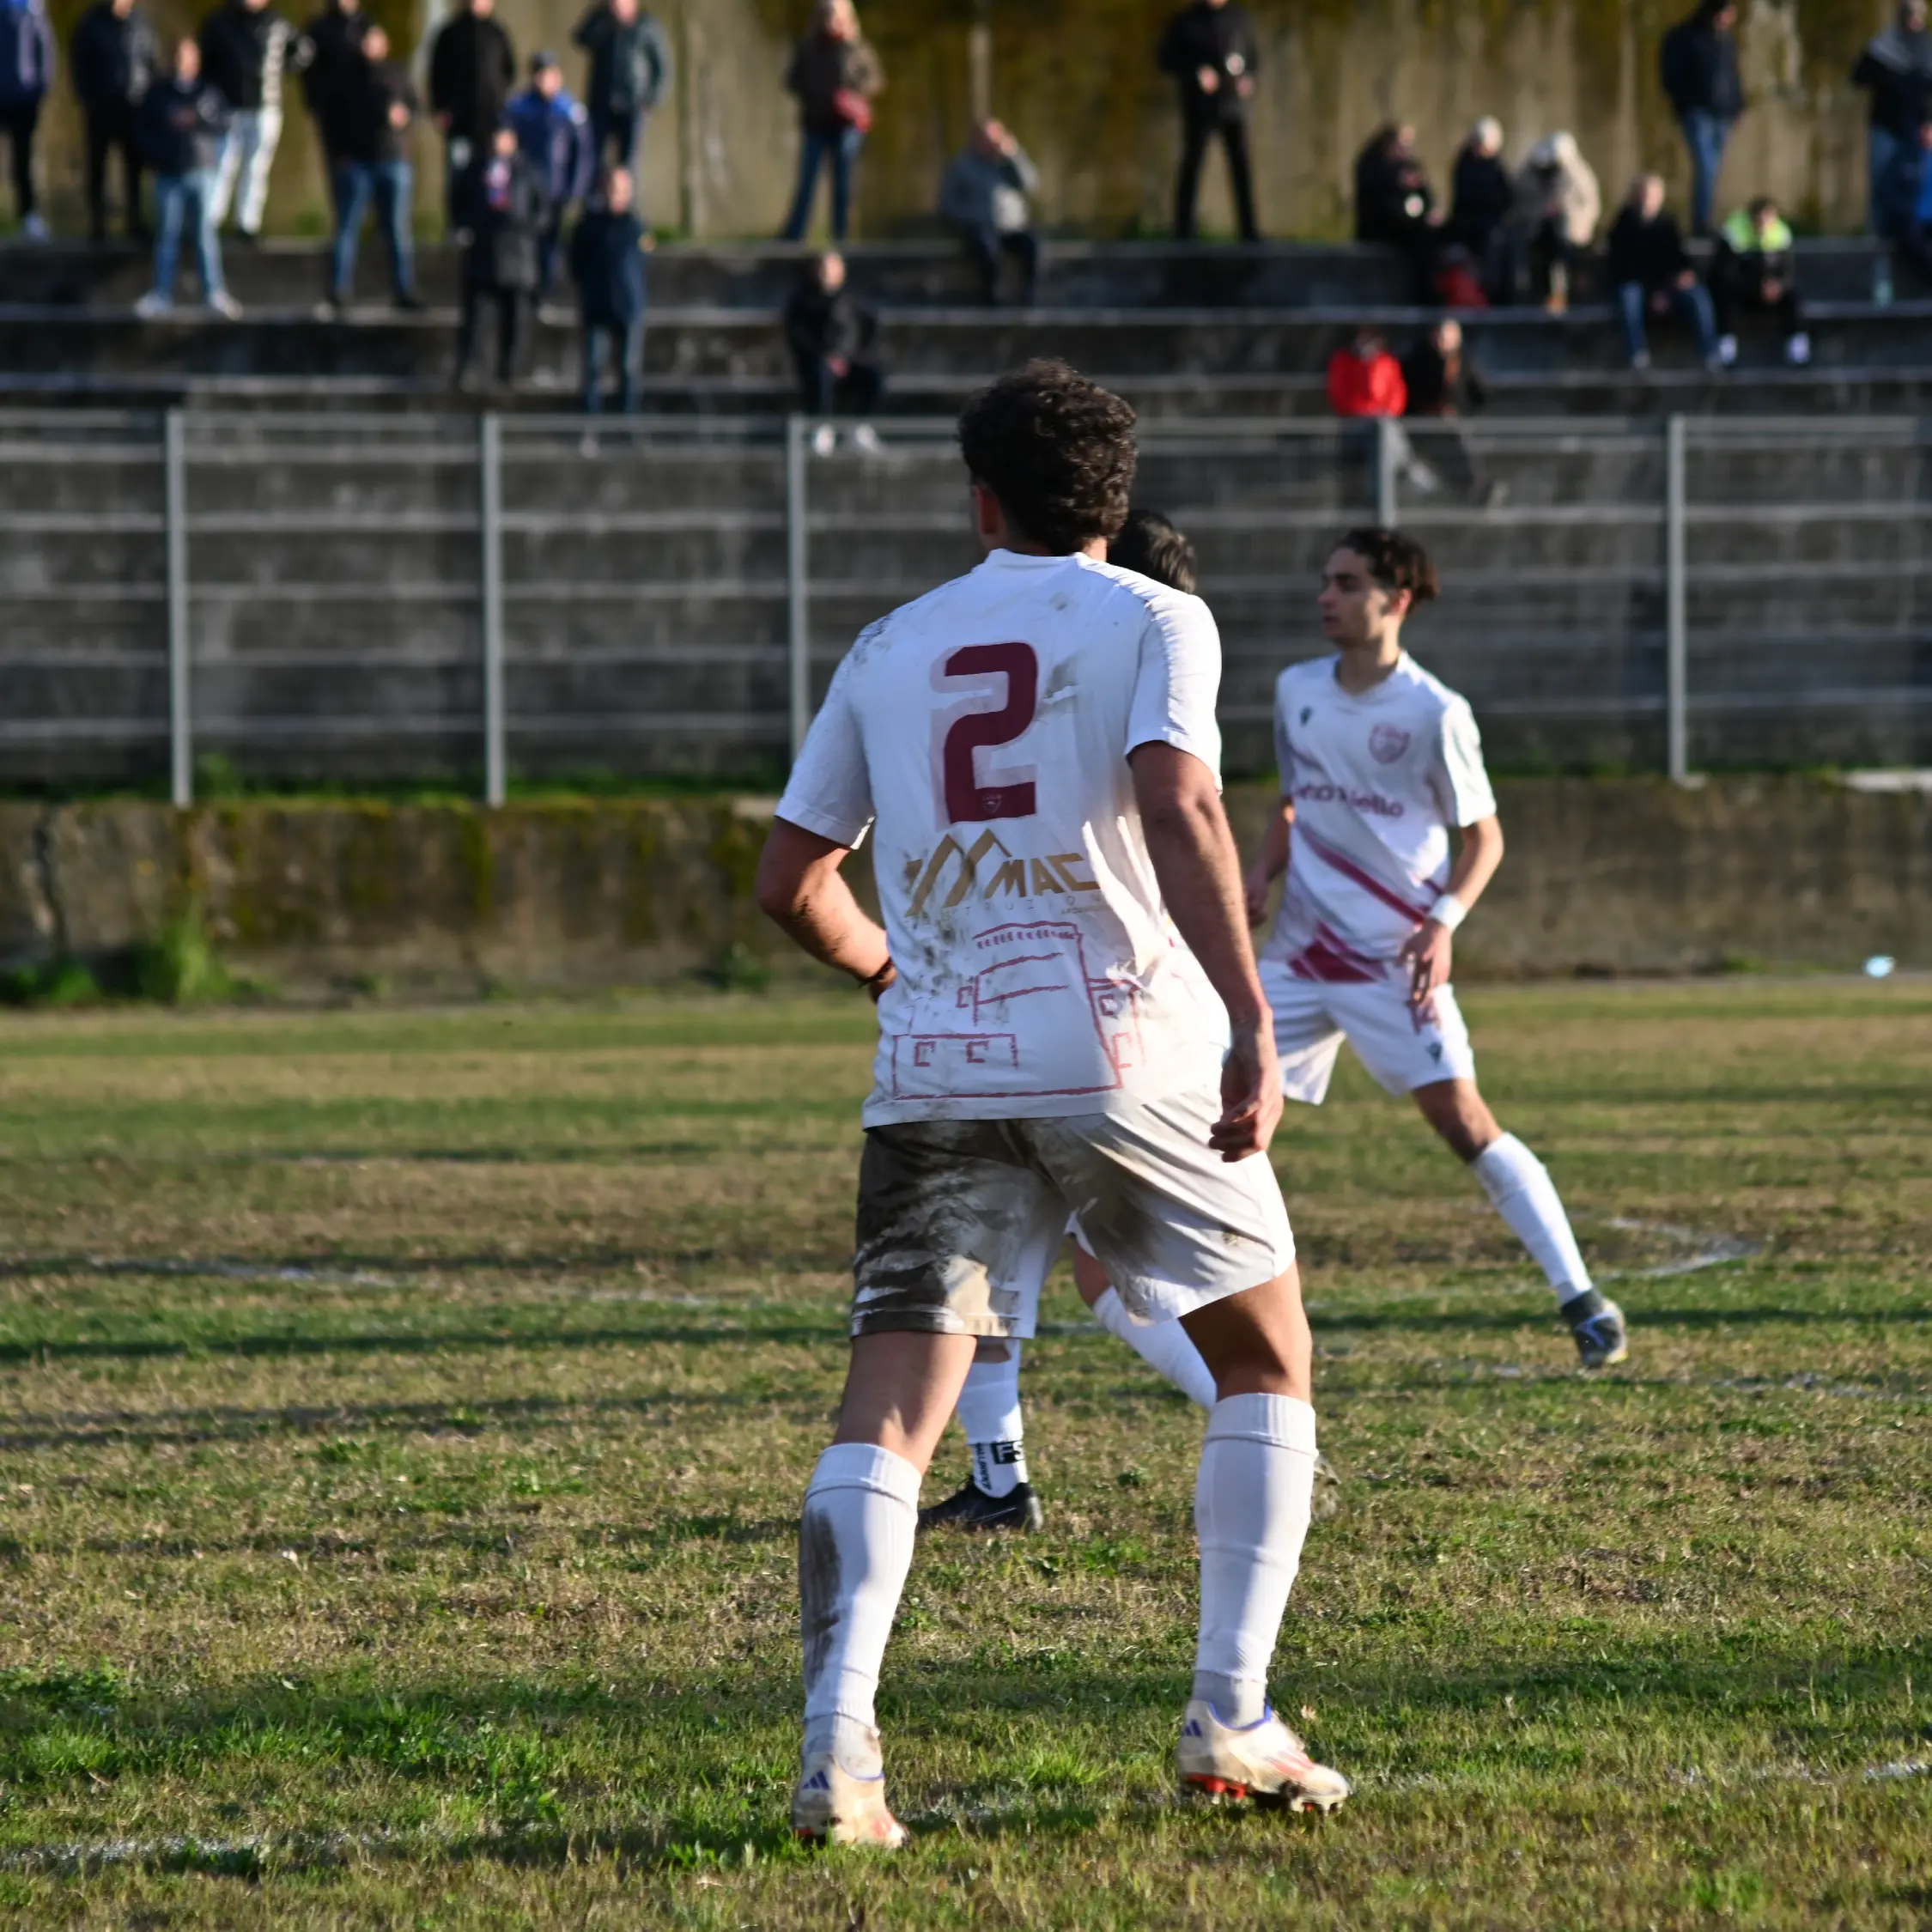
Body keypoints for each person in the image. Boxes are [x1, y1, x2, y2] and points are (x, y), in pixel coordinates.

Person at [755, 356, 1352, 1844]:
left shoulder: (888, 643)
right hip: (1121, 1050)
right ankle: (1230, 1716)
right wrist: (1252, 1019)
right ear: (1116, 499)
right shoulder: (1156, 615)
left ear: (982, 501)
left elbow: (789, 882)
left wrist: (892, 973)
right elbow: (1180, 798)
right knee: (1264, 1358)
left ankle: (838, 1748)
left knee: (890, 1409)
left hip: (938, 1064)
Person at [1249, 528, 1628, 1373]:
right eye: (1326, 581)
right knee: (1221, 1107)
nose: (1327, 597)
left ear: (1397, 601)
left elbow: (1484, 837)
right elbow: (1292, 801)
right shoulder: (1296, 688)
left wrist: (1443, 921)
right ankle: (1207, 1307)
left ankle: (1580, 1298)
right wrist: (1259, 873)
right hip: (1300, 955)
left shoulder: (1434, 712)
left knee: (1464, 1122)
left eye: (1348, 584)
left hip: (1393, 961)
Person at [134, 38, 238, 316]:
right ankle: (161, 294)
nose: (183, 61)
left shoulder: (207, 91)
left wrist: (198, 119)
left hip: (201, 171)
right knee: (166, 236)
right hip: (168, 174)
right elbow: (143, 130)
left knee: (205, 235)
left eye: (188, 55)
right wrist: (159, 155)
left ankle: (213, 293)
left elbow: (223, 123)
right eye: (179, 55)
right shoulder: (159, 93)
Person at [198, 0, 310, 244]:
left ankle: (248, 224)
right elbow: (205, 62)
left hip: (265, 105)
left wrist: (280, 68)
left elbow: (303, 51)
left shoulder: (276, 23)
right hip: (229, 106)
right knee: (223, 165)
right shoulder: (221, 22)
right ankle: (211, 222)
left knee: (256, 167)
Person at [326, 22, 419, 312]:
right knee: (348, 228)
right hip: (357, 163)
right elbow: (331, 119)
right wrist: (341, 156)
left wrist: (404, 117)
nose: (370, 46)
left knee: (397, 230)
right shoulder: (345, 76)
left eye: (375, 40)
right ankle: (339, 290)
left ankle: (404, 291)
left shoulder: (397, 73)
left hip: (394, 160)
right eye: (366, 40)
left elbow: (415, 108)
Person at [452, 119, 550, 390]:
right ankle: (469, 368)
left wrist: (525, 228)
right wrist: (469, 226)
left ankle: (510, 371)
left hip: (518, 256)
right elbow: (458, 202)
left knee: (516, 320)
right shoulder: (475, 170)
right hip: (483, 254)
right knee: (476, 319)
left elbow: (543, 211)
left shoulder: (528, 171)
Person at [780, 0, 881, 244]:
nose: (831, 22)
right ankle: (794, 236)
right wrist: (818, 93)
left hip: (846, 127)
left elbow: (874, 80)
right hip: (816, 124)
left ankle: (842, 237)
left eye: (836, 16)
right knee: (807, 182)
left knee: (843, 184)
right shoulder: (808, 49)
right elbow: (792, 81)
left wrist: (853, 97)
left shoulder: (857, 49)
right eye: (827, 15)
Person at [1158, 0, 1259, 242]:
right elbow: (1166, 58)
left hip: (1232, 106)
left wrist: (1249, 78)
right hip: (1199, 107)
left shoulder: (1239, 19)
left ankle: (1249, 231)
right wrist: (1196, 73)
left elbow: (1253, 58)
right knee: (1192, 165)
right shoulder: (1187, 22)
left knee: (1240, 167)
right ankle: (1183, 231)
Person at [1606, 172, 1720, 370]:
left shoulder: (1668, 223)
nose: (1648, 200)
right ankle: (1637, 355)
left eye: (1653, 195)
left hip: (1667, 287)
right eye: (1644, 194)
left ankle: (1710, 355)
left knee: (1699, 295)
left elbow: (1677, 258)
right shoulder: (1623, 226)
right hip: (1640, 286)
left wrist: (1684, 275)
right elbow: (1621, 266)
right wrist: (1654, 292)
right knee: (1628, 296)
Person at [507, 51, 592, 302]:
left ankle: (545, 292)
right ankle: (528, 292)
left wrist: (576, 188)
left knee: (551, 243)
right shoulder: (520, 108)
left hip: (557, 189)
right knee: (527, 243)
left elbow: (582, 154)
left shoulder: (569, 110)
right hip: (526, 190)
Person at [70, 0, 158, 242]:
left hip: (135, 107)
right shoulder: (91, 23)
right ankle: (98, 222)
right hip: (101, 107)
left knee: (134, 167)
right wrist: (88, 98)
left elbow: (150, 62)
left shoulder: (140, 23)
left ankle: (135, 220)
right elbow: (80, 64)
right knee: (98, 165)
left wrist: (150, 100)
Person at [1658, 1, 1742, 238]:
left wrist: (1738, 107)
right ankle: (1701, 223)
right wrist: (1685, 104)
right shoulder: (1684, 37)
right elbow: (1671, 76)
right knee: (1706, 167)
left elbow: (1733, 75)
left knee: (1713, 171)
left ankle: (1706, 220)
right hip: (1698, 113)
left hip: (1723, 114)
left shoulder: (1725, 41)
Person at [784, 249, 884, 447]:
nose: (827, 273)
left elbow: (869, 330)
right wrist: (826, 356)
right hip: (818, 361)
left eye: (832, 268)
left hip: (851, 360)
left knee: (875, 377)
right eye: (823, 268)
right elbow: (799, 335)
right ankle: (821, 428)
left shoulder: (854, 299)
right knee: (820, 375)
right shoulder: (803, 300)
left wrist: (851, 356)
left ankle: (860, 428)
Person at [570, 162, 647, 414]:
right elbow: (576, 263)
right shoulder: (589, 226)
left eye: (622, 189)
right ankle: (590, 423)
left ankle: (627, 423)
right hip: (597, 305)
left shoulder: (635, 227)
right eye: (613, 188)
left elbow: (641, 265)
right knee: (593, 368)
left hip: (629, 305)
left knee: (628, 368)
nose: (617, 194)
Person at [429, 0, 514, 226]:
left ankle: (489, 228)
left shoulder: (497, 33)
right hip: (460, 123)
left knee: (493, 178)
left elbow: (508, 72)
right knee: (459, 176)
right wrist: (441, 109)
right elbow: (437, 75)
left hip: (491, 123)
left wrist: (502, 114)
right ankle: (459, 228)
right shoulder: (450, 34)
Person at [939, 117, 1039, 306]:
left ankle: (1028, 296)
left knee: (1032, 244)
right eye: (986, 140)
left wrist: (1014, 155)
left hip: (1011, 228)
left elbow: (1031, 185)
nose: (991, 145)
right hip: (979, 228)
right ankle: (990, 298)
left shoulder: (1009, 164)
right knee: (988, 250)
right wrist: (972, 218)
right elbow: (948, 203)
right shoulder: (963, 166)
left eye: (995, 140)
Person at [1400, 319, 1502, 504]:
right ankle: (1467, 488)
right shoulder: (1418, 362)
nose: (1442, 340)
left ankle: (1476, 486)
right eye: (1439, 335)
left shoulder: (1464, 363)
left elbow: (1479, 397)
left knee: (1463, 444)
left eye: (1447, 336)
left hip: (1454, 424)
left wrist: (1458, 411)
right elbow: (1408, 395)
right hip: (1423, 424)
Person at [1854, 1, 1932, 237]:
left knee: (1918, 183)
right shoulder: (1883, 46)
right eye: (1909, 14)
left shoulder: (1926, 48)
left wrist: (1929, 122)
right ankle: (1878, 234)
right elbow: (1859, 77)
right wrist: (1887, 74)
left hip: (1917, 128)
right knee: (1881, 180)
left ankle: (1916, 235)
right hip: (1886, 125)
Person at [1710, 194, 1809, 367]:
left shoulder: (1781, 235)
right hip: (1744, 290)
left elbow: (1788, 271)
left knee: (1794, 298)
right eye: (1760, 219)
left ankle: (1798, 349)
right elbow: (1726, 273)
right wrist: (1756, 287)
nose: (1764, 224)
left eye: (1769, 219)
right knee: (1726, 298)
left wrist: (1778, 286)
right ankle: (1726, 349)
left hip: (1772, 293)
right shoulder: (1734, 235)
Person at [572, 0, 669, 174]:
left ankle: (627, 191)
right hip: (601, 102)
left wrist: (651, 100)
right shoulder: (601, 20)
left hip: (633, 104)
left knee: (628, 163)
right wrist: (604, 19)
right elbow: (580, 39)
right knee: (593, 158)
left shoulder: (646, 26)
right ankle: (596, 191)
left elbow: (661, 67)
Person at [1507, 130, 1599, 310]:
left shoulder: (1578, 175)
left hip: (1568, 233)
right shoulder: (1531, 173)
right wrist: (1540, 212)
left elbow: (1590, 206)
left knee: (1562, 256)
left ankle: (1560, 297)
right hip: (1537, 230)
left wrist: (1569, 215)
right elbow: (1520, 203)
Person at [1353, 121, 1441, 300]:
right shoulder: (1372, 165)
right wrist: (1396, 180)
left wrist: (1430, 211)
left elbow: (1425, 194)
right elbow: (1373, 194)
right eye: (1402, 145)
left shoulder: (1409, 166)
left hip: (1407, 224)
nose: (1406, 150)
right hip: (1379, 228)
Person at [298, 0, 368, 215]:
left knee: (368, 170)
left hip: (365, 112)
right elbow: (308, 71)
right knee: (337, 170)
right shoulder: (318, 28)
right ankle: (343, 222)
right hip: (332, 112)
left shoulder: (366, 24)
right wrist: (314, 102)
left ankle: (368, 224)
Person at [0, 0, 55, 240]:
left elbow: (45, 50)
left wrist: (39, 89)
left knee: (24, 160)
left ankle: (29, 216)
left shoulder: (32, 9)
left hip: (24, 99)